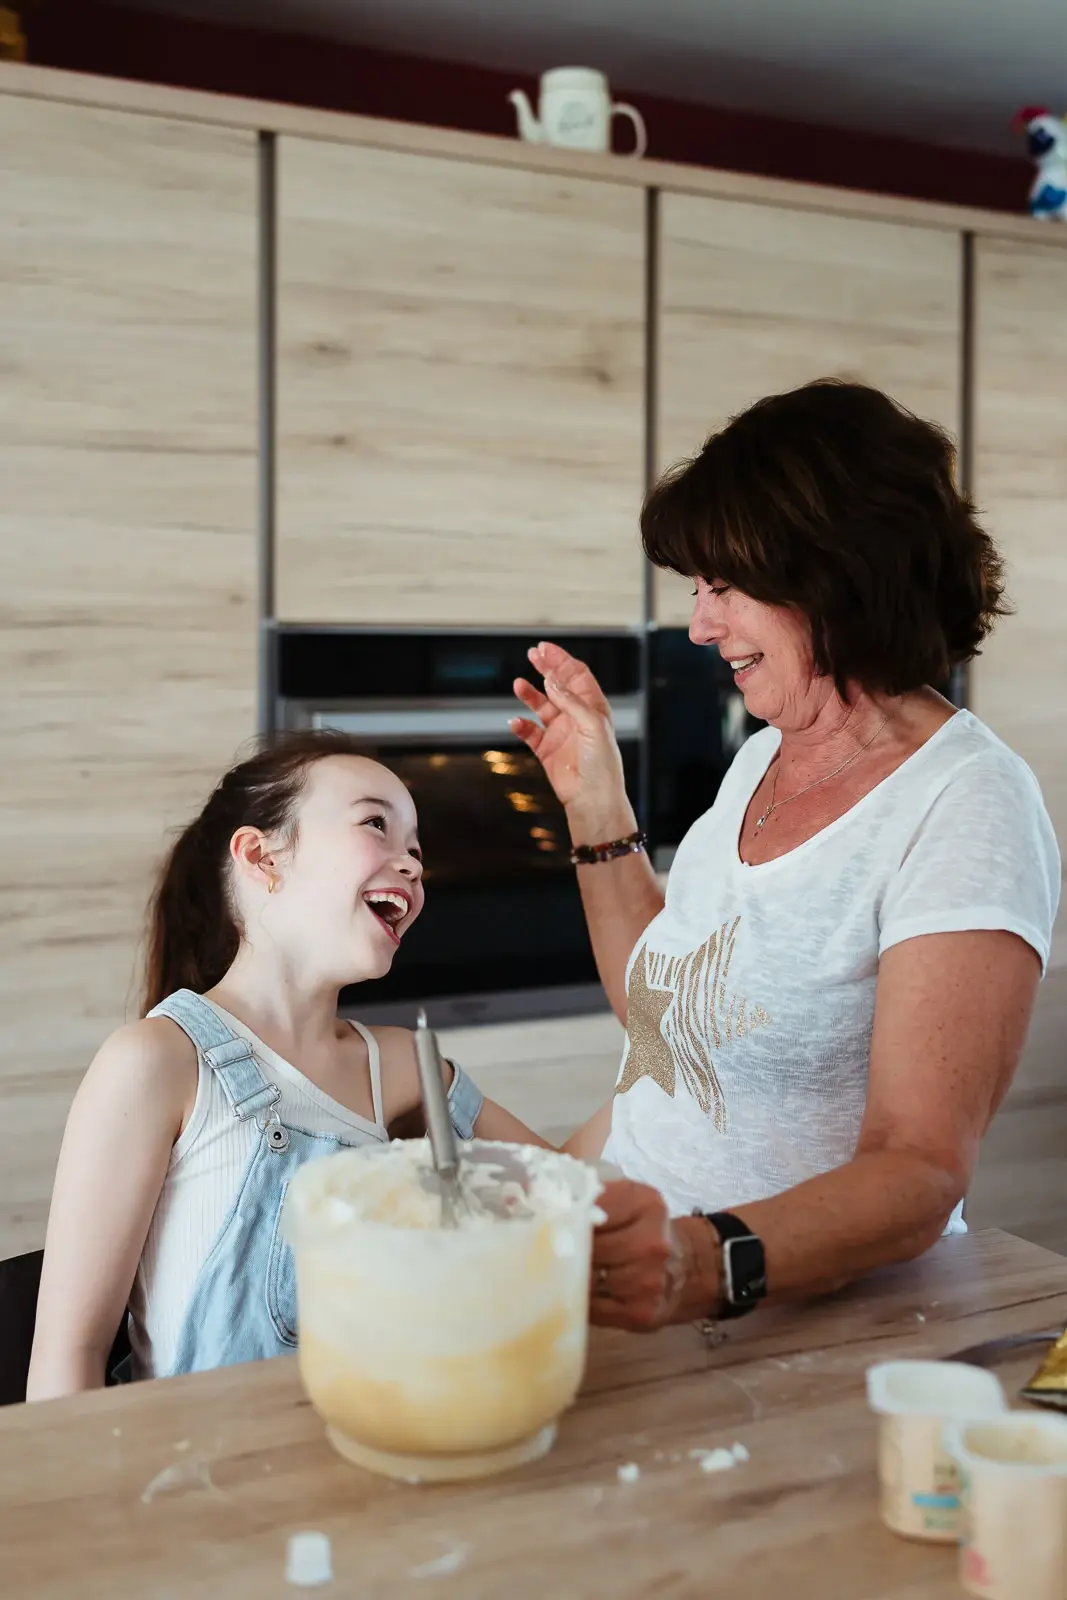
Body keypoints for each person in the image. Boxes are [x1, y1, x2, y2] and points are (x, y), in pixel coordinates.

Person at [512, 379, 1061, 1335]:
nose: (699, 625)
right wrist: (595, 804)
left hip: (800, 1322)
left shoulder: (966, 802)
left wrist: (695, 1262)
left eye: (722, 587)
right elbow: (666, 1024)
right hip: (652, 1295)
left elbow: (916, 1169)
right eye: (695, 589)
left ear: (832, 572)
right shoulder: (762, 756)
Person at [27, 732, 542, 1398]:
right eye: (376, 825)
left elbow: (571, 1191)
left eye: (416, 850)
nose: (413, 865)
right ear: (261, 856)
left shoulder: (403, 1066)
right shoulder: (158, 1062)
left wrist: (659, 1039)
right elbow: (69, 1355)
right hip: (200, 1459)